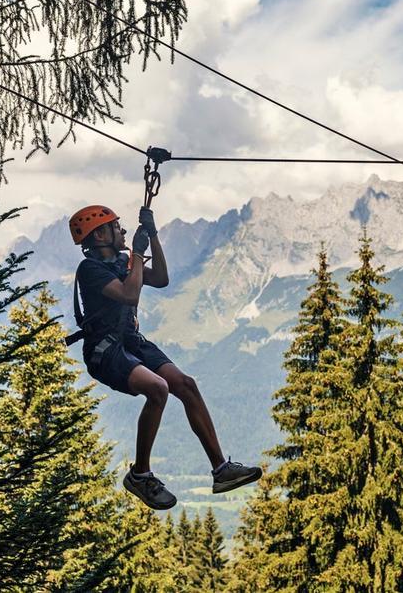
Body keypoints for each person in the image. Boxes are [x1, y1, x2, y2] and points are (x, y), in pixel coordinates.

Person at [69, 204, 261, 509]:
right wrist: (136, 254)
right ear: (101, 234)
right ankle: (140, 475)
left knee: (185, 384)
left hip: (130, 341)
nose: (123, 231)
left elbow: (160, 278)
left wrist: (153, 237)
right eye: (117, 227)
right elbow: (130, 295)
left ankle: (221, 469)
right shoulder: (91, 270)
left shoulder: (121, 261)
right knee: (158, 389)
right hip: (105, 351)